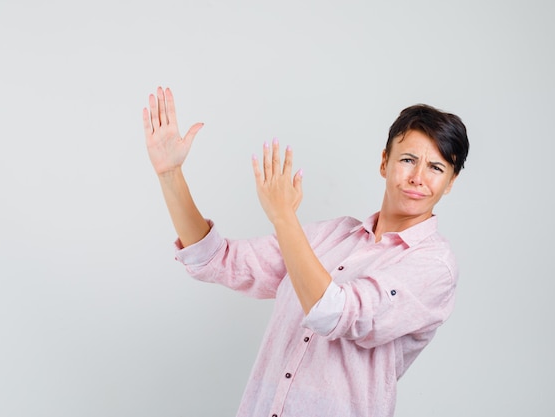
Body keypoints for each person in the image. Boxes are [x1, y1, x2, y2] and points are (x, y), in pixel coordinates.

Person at [142, 86, 469, 417]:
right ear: (384, 163)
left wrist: (284, 217)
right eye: (408, 160)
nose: (417, 178)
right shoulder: (331, 235)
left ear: (451, 182)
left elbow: (338, 314)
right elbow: (217, 260)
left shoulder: (433, 265)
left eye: (436, 168)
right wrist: (171, 175)